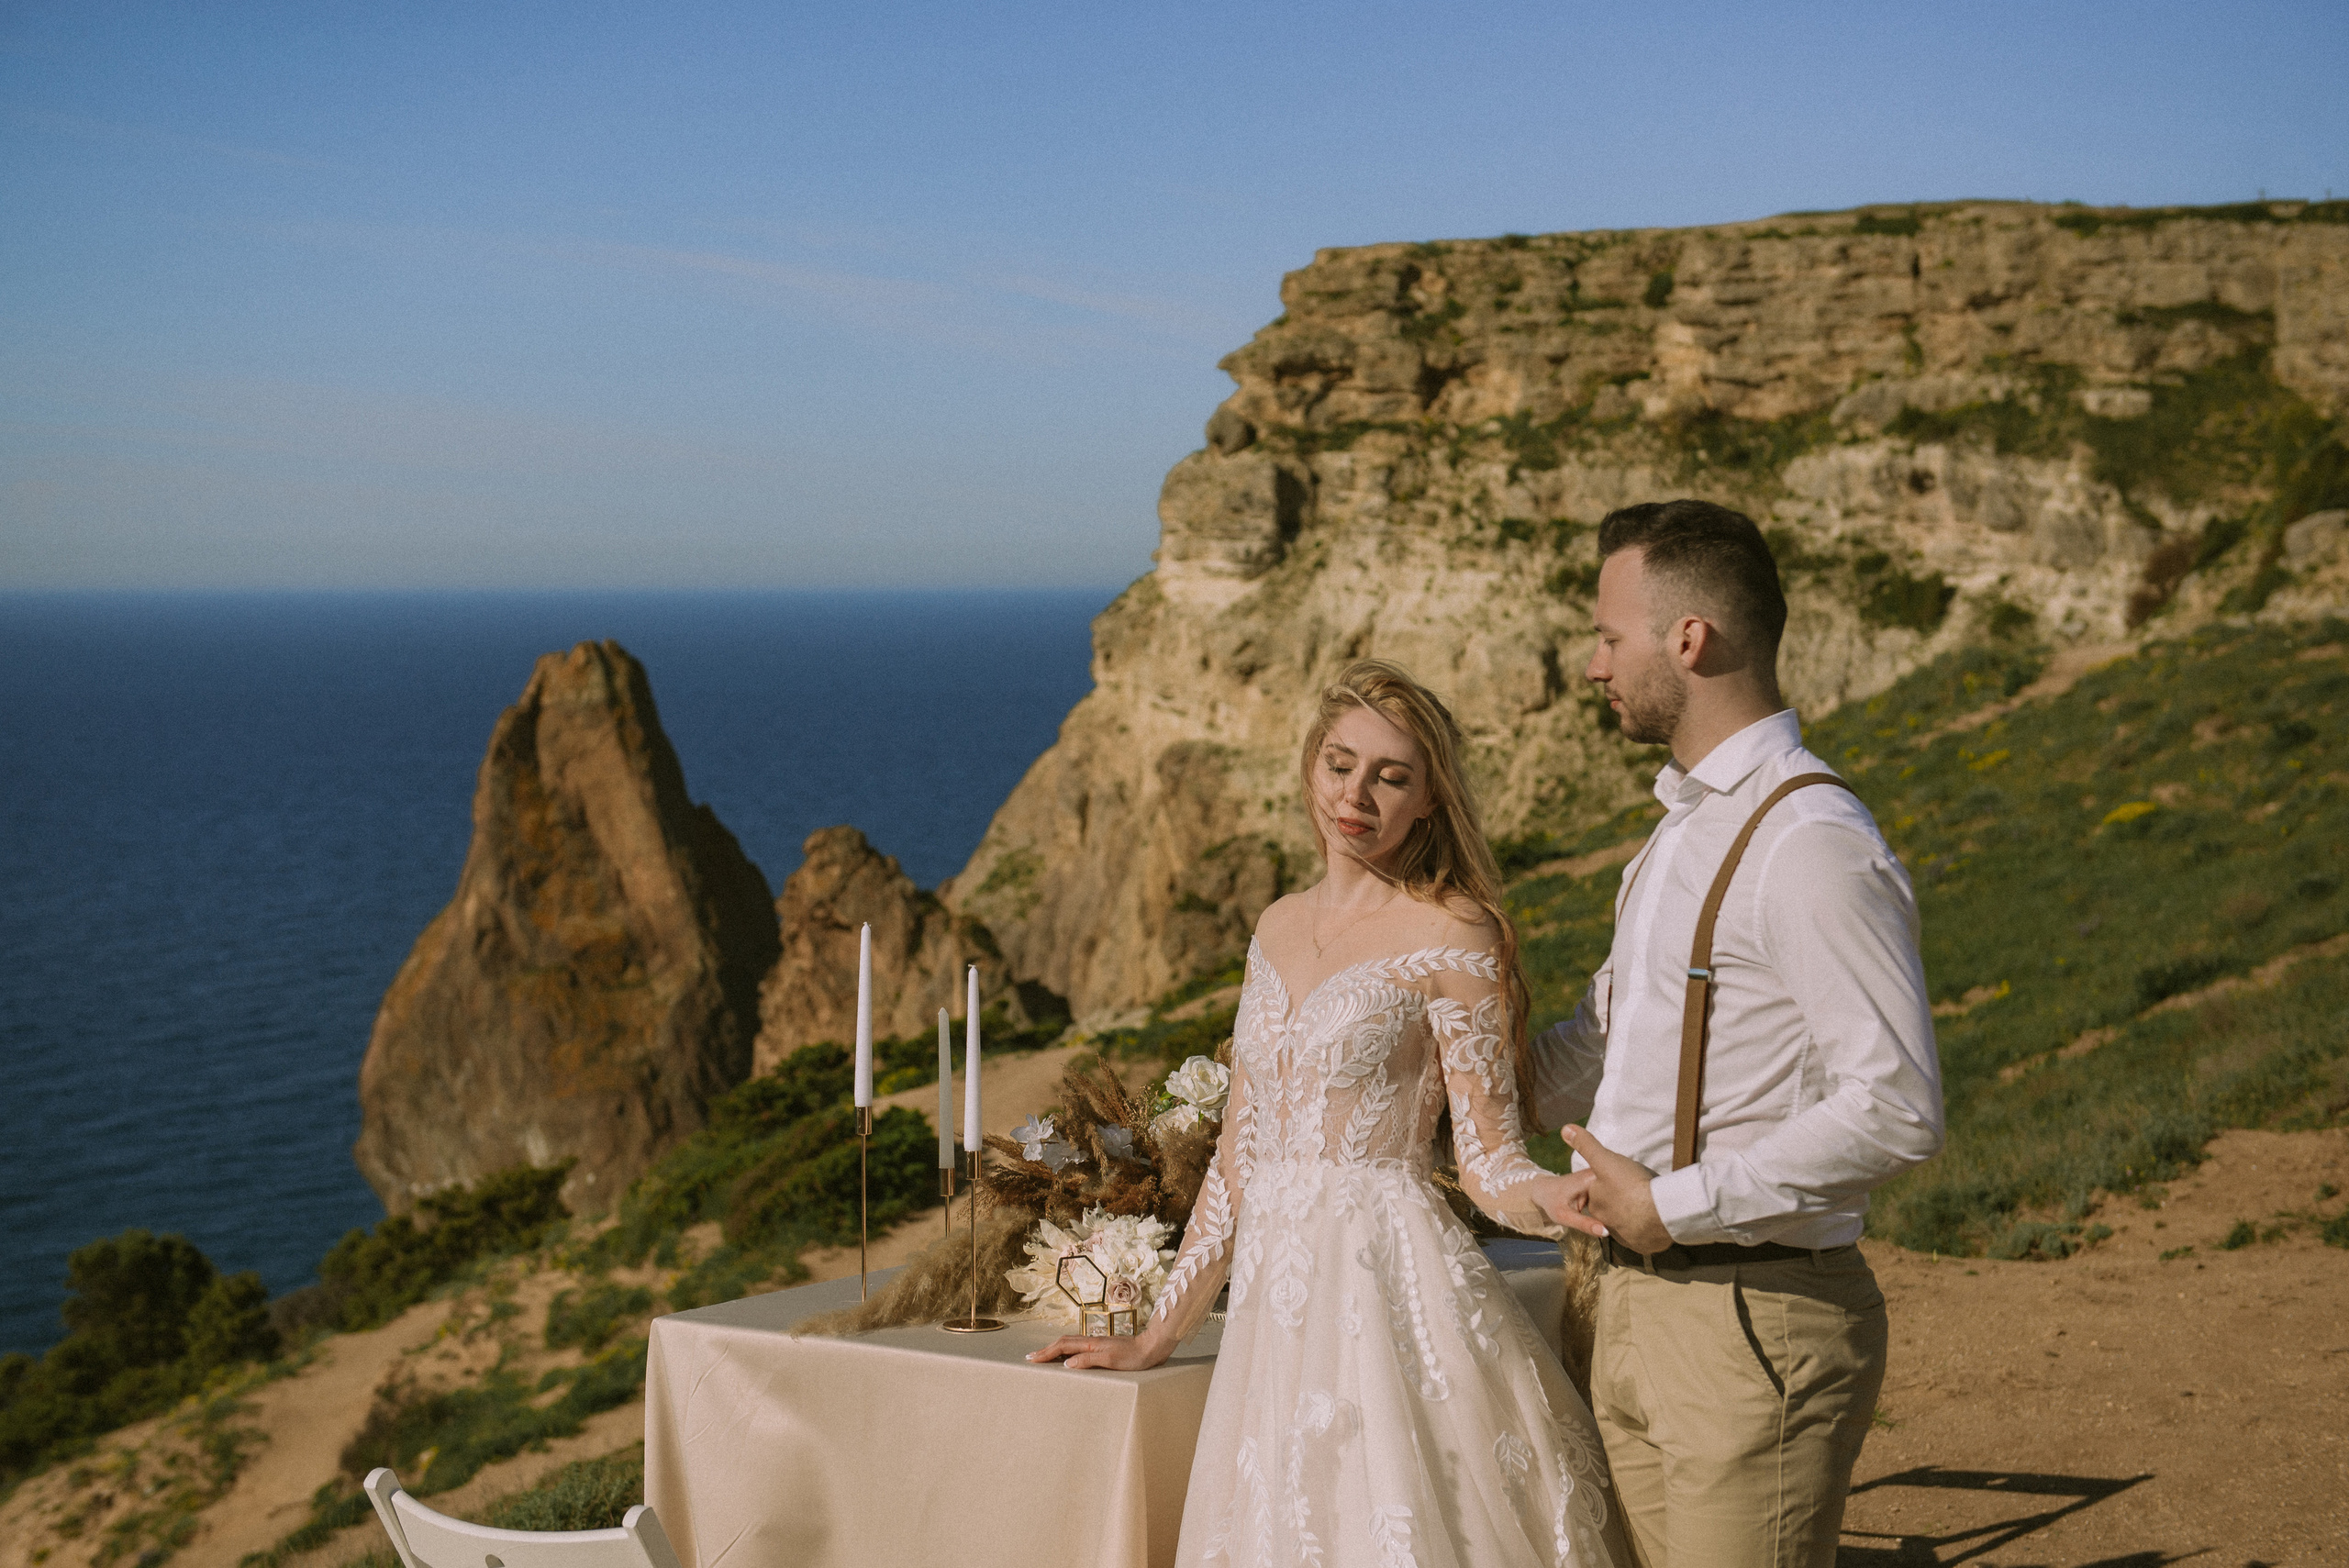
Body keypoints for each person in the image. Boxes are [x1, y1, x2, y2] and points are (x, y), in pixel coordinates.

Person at [1029, 660, 1629, 1568]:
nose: (1358, 794)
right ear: (1311, 766)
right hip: (1276, 1305)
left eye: (1391, 776)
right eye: (1341, 764)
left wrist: (1557, 1196)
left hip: (1389, 1287)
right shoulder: (1274, 924)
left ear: (1429, 800)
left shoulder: (1453, 930)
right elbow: (1238, 1152)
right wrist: (1159, 1330)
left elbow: (1487, 1157)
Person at [1534, 498, 1945, 1566]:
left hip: (1745, 1315)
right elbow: (1605, 1042)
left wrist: (1672, 1203)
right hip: (1622, 1304)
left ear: (1688, 638)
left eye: (1608, 636)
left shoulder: (1809, 841)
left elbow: (1897, 1105)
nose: (1593, 665)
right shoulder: (1679, 831)